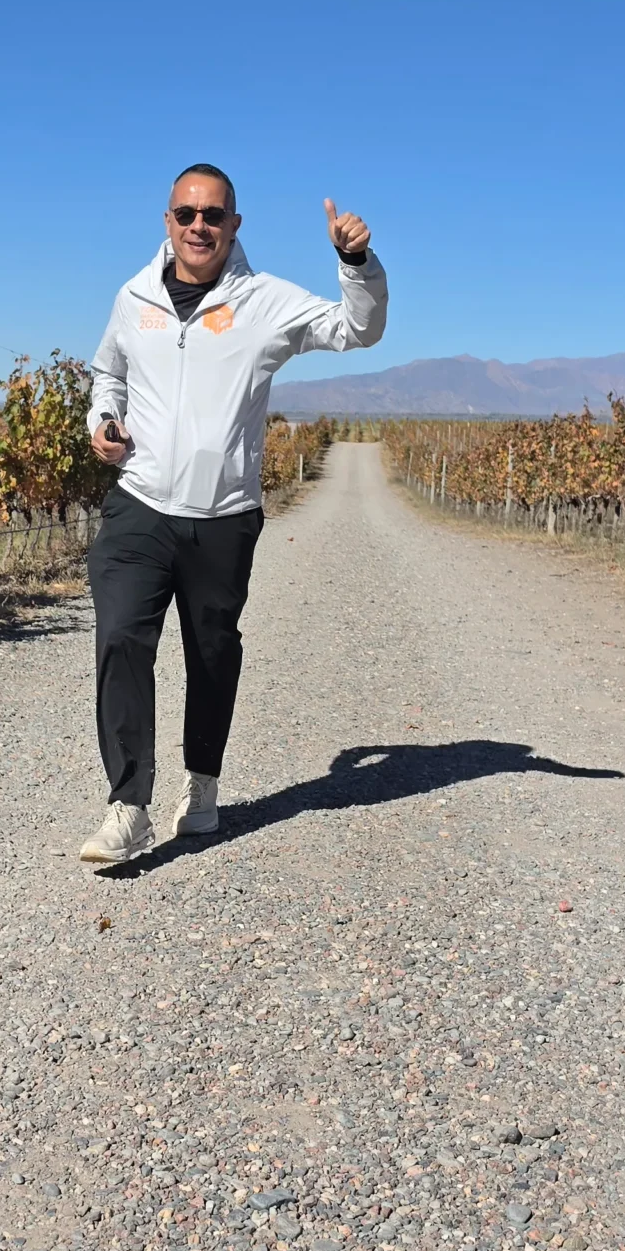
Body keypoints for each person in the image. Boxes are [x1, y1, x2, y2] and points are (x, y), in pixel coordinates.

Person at [77, 164, 386, 865]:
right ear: (167, 220)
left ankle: (203, 781)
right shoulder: (133, 296)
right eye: (186, 213)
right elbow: (108, 372)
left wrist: (356, 263)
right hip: (139, 504)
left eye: (213, 215)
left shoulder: (265, 301)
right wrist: (103, 421)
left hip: (223, 516)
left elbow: (357, 329)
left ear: (234, 225)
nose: (199, 226)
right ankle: (128, 806)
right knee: (121, 636)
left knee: (212, 654)